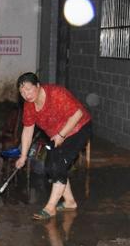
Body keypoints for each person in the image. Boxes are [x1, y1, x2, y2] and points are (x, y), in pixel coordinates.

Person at [14, 72, 92, 220]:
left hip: (78, 128)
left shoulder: (56, 93)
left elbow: (78, 114)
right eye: (22, 92)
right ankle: (69, 202)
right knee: (50, 166)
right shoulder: (29, 105)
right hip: (58, 135)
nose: (26, 94)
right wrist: (23, 156)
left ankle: (50, 208)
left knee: (58, 164)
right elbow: (28, 129)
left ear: (38, 85)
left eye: (29, 89)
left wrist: (62, 135)